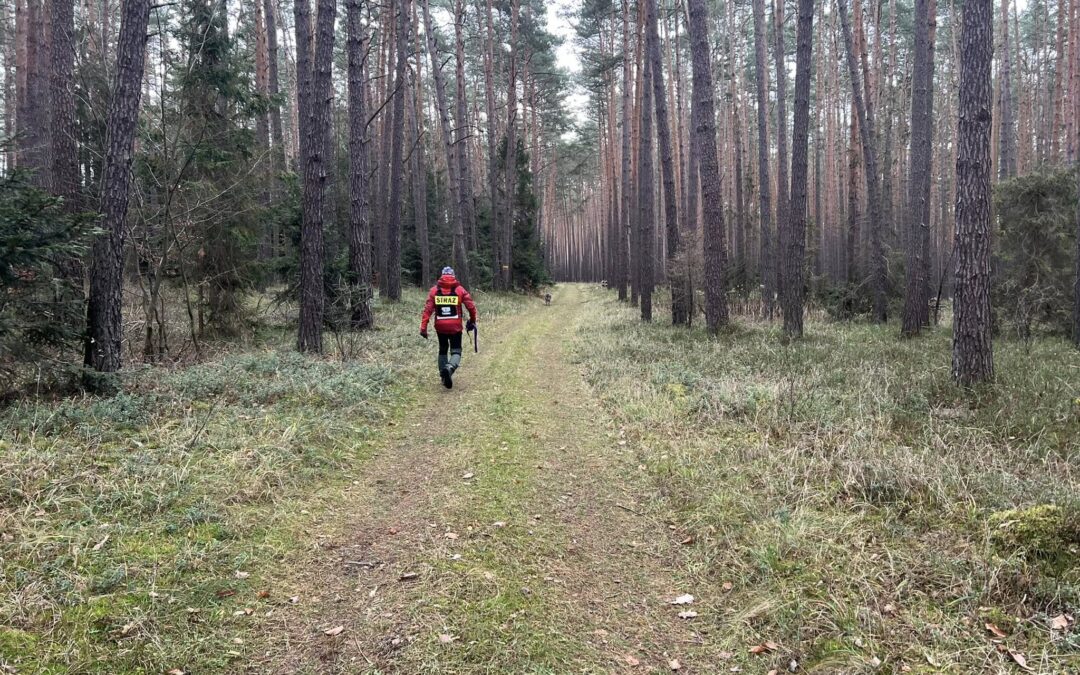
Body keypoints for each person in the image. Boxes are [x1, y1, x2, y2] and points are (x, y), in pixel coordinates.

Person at [420, 267, 478, 389]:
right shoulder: (459, 290)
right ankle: (450, 367)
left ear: (442, 276)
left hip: (440, 327)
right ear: (453, 275)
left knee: (442, 349)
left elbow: (427, 310)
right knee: (456, 350)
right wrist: (472, 320)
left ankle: (443, 376)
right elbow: (471, 306)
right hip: (455, 327)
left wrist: (423, 327)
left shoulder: (434, 291)